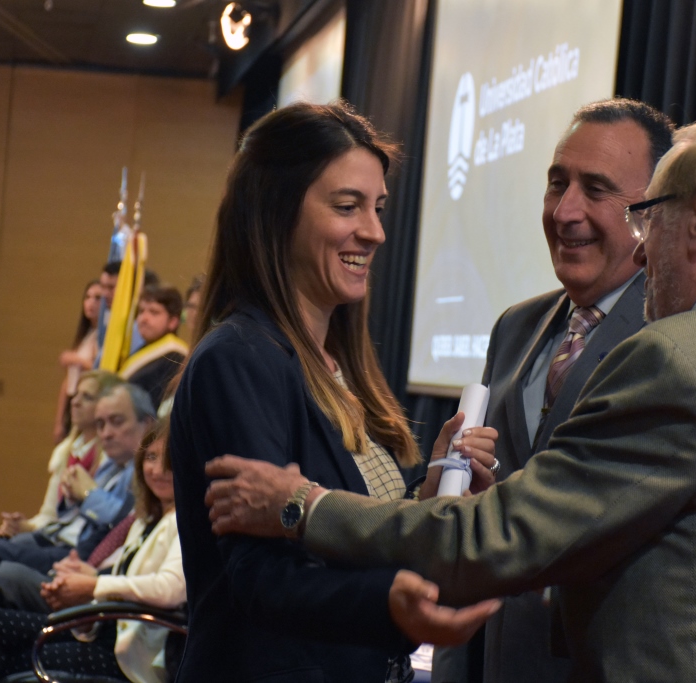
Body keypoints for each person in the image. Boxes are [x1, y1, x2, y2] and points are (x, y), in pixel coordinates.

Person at [205, 116, 696, 682]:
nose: (641, 248)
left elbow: (505, 534)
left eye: (645, 215)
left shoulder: (680, 358)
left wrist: (302, 505)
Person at [168, 100, 499, 683]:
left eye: (377, 208)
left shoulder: (339, 364)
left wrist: (428, 493)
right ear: (275, 213)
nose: (375, 232)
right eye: (348, 207)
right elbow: (260, 578)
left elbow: (343, 535)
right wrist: (390, 604)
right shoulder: (240, 357)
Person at [432, 98, 674, 683]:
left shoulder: (674, 342)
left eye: (596, 189)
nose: (565, 211)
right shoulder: (515, 327)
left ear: (652, 212)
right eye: (557, 184)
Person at [0, 424, 186, 683]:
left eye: (169, 461)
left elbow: (169, 589)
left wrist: (92, 586)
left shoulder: (185, 522)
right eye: (151, 457)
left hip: (129, 659)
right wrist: (85, 603)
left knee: (0, 639)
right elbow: (123, 583)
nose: (158, 470)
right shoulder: (145, 519)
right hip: (102, 631)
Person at [0, 383, 156, 612]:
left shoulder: (147, 474)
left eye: (117, 422)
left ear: (147, 424)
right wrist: (71, 498)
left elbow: (121, 523)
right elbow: (71, 517)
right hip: (69, 549)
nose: (106, 433)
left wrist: (87, 494)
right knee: (0, 553)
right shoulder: (112, 466)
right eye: (101, 424)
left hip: (84, 562)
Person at [0, 370, 121, 540]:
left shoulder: (111, 459)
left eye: (87, 397)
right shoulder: (64, 452)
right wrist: (24, 527)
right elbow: (49, 516)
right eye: (76, 395)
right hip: (56, 539)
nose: (75, 402)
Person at [119, 284, 188, 408]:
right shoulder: (142, 349)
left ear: (173, 321)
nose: (143, 319)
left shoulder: (175, 356)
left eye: (154, 312)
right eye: (141, 311)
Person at [54, 281, 102, 442]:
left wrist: (76, 359)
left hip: (89, 402)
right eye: (87, 297)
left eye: (97, 298)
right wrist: (59, 421)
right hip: (73, 399)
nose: (91, 303)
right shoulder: (87, 334)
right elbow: (68, 380)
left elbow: (100, 370)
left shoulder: (104, 337)